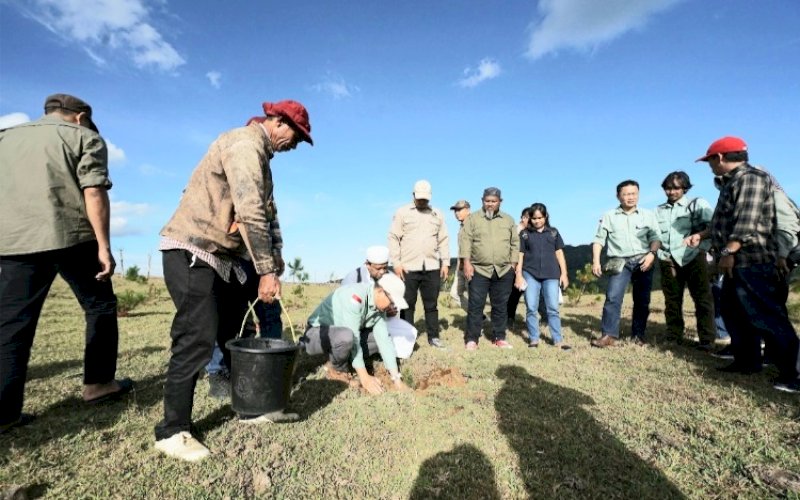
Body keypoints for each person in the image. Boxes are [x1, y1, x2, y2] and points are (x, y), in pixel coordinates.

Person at [154, 99, 313, 461]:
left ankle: (249, 408)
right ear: (279, 123)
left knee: (230, 336)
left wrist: (270, 261)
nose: (294, 146)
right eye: (297, 136)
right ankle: (172, 430)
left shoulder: (259, 154)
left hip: (221, 258)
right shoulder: (245, 144)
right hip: (193, 250)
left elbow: (261, 219)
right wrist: (267, 271)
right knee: (196, 337)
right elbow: (250, 209)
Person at [0, 94, 133, 435]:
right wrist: (104, 246)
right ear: (81, 116)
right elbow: (93, 191)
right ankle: (99, 384)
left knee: (13, 324)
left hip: (15, 240)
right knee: (100, 305)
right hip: (70, 235)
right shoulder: (84, 137)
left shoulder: (6, 137)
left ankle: (4, 412)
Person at [692, 137, 798, 393]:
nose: (710, 167)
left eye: (709, 162)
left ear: (719, 158)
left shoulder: (750, 178)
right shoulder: (732, 182)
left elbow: (746, 220)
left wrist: (729, 250)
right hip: (734, 262)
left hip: (751, 259)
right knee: (734, 311)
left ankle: (795, 373)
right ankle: (746, 361)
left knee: (767, 315)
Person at [205, 218, 285, 400]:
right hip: (228, 258)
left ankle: (270, 367)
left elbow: (272, 226)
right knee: (225, 316)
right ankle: (218, 372)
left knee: (271, 313)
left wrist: (276, 255)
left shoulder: (266, 194)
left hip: (262, 260)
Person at [302, 273, 411, 394]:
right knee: (346, 337)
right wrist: (365, 378)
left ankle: (336, 358)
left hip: (341, 337)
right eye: (392, 302)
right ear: (380, 291)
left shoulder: (379, 307)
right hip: (315, 336)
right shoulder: (355, 297)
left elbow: (384, 340)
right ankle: (337, 372)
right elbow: (354, 338)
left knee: (377, 338)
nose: (392, 307)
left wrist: (396, 379)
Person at [591, 180, 661, 348]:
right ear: (618, 196)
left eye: (634, 193)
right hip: (619, 262)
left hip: (643, 260)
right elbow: (599, 240)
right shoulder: (609, 216)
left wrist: (652, 254)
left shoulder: (648, 214)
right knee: (613, 297)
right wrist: (595, 261)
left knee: (642, 300)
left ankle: (638, 335)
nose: (631, 197)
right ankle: (609, 336)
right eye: (626, 194)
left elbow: (656, 238)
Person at [655, 171, 716, 350]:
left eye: (675, 188)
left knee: (702, 299)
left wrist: (701, 250)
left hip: (694, 257)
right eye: (667, 188)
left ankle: (707, 339)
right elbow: (652, 234)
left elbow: (711, 227)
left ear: (685, 188)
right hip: (668, 259)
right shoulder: (658, 211)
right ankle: (673, 336)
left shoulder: (697, 204)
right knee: (672, 301)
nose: (671, 192)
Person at [388, 180, 450, 349]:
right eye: (419, 198)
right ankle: (406, 338)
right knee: (407, 304)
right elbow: (393, 237)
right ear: (413, 195)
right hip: (407, 267)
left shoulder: (437, 214)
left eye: (425, 199)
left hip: (431, 266)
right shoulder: (402, 212)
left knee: (431, 304)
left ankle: (434, 337)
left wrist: (445, 262)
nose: (422, 201)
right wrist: (397, 263)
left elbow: (443, 239)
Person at [460, 187, 519, 350]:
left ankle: (499, 337)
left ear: (500, 201)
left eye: (494, 201)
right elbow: (466, 241)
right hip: (478, 269)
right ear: (482, 201)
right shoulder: (473, 219)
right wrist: (466, 263)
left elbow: (515, 243)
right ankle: (472, 339)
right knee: (475, 305)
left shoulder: (508, 220)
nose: (490, 204)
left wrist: (513, 265)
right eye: (487, 201)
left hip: (503, 270)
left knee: (500, 305)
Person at [514, 203, 570, 350]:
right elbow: (520, 255)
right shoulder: (525, 235)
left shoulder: (553, 233)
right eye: (534, 218)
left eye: (540, 218)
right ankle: (534, 339)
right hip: (530, 274)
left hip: (551, 274)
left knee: (552, 308)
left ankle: (558, 340)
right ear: (530, 219)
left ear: (546, 217)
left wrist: (564, 274)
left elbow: (559, 254)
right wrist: (518, 275)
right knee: (531, 307)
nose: (537, 221)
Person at [507, 208, 531, 327]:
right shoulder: (515, 230)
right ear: (523, 218)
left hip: (528, 266)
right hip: (515, 266)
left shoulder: (530, 231)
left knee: (530, 295)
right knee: (514, 295)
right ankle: (510, 317)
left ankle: (531, 318)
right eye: (528, 217)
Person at [449, 200, 472, 313]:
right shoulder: (461, 227)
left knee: (474, 297)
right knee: (455, 293)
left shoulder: (473, 224)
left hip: (472, 267)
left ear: (468, 210)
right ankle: (479, 317)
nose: (457, 213)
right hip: (461, 268)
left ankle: (476, 321)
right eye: (455, 210)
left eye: (459, 210)